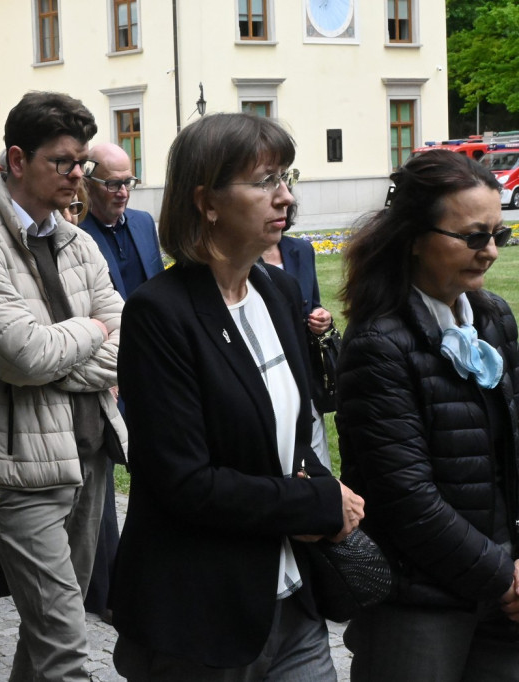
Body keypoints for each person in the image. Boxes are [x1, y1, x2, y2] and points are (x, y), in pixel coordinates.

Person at [109, 113, 363, 680]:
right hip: (205, 613)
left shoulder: (278, 290)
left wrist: (321, 485)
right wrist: (317, 504)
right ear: (208, 201)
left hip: (294, 597)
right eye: (265, 180)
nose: (286, 197)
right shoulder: (160, 313)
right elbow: (183, 482)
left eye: (286, 178)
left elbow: (293, 438)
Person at [0, 91, 127, 681]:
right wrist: (91, 331)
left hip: (90, 458)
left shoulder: (77, 239)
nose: (78, 176)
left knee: (45, 632)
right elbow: (22, 356)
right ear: (17, 160)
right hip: (20, 471)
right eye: (64, 162)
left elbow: (126, 340)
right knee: (66, 646)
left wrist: (74, 343)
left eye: (82, 163)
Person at [336, 149, 519, 680]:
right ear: (415, 237)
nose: (488, 252)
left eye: (498, 236)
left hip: (501, 588)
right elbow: (405, 498)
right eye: (472, 236)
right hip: (418, 600)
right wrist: (501, 576)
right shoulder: (378, 343)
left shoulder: (492, 316)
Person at [78, 141, 165, 621]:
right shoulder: (77, 236)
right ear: (90, 184)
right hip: (107, 371)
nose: (122, 192)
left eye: (128, 181)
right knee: (103, 481)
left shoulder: (146, 225)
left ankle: (153, 571)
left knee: (157, 469)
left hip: (153, 367)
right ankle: (106, 589)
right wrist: (106, 371)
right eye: (112, 183)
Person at [262, 232, 335, 469]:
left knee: (314, 447)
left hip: (304, 366)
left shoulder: (302, 249)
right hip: (264, 369)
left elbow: (313, 304)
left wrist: (322, 318)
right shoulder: (240, 257)